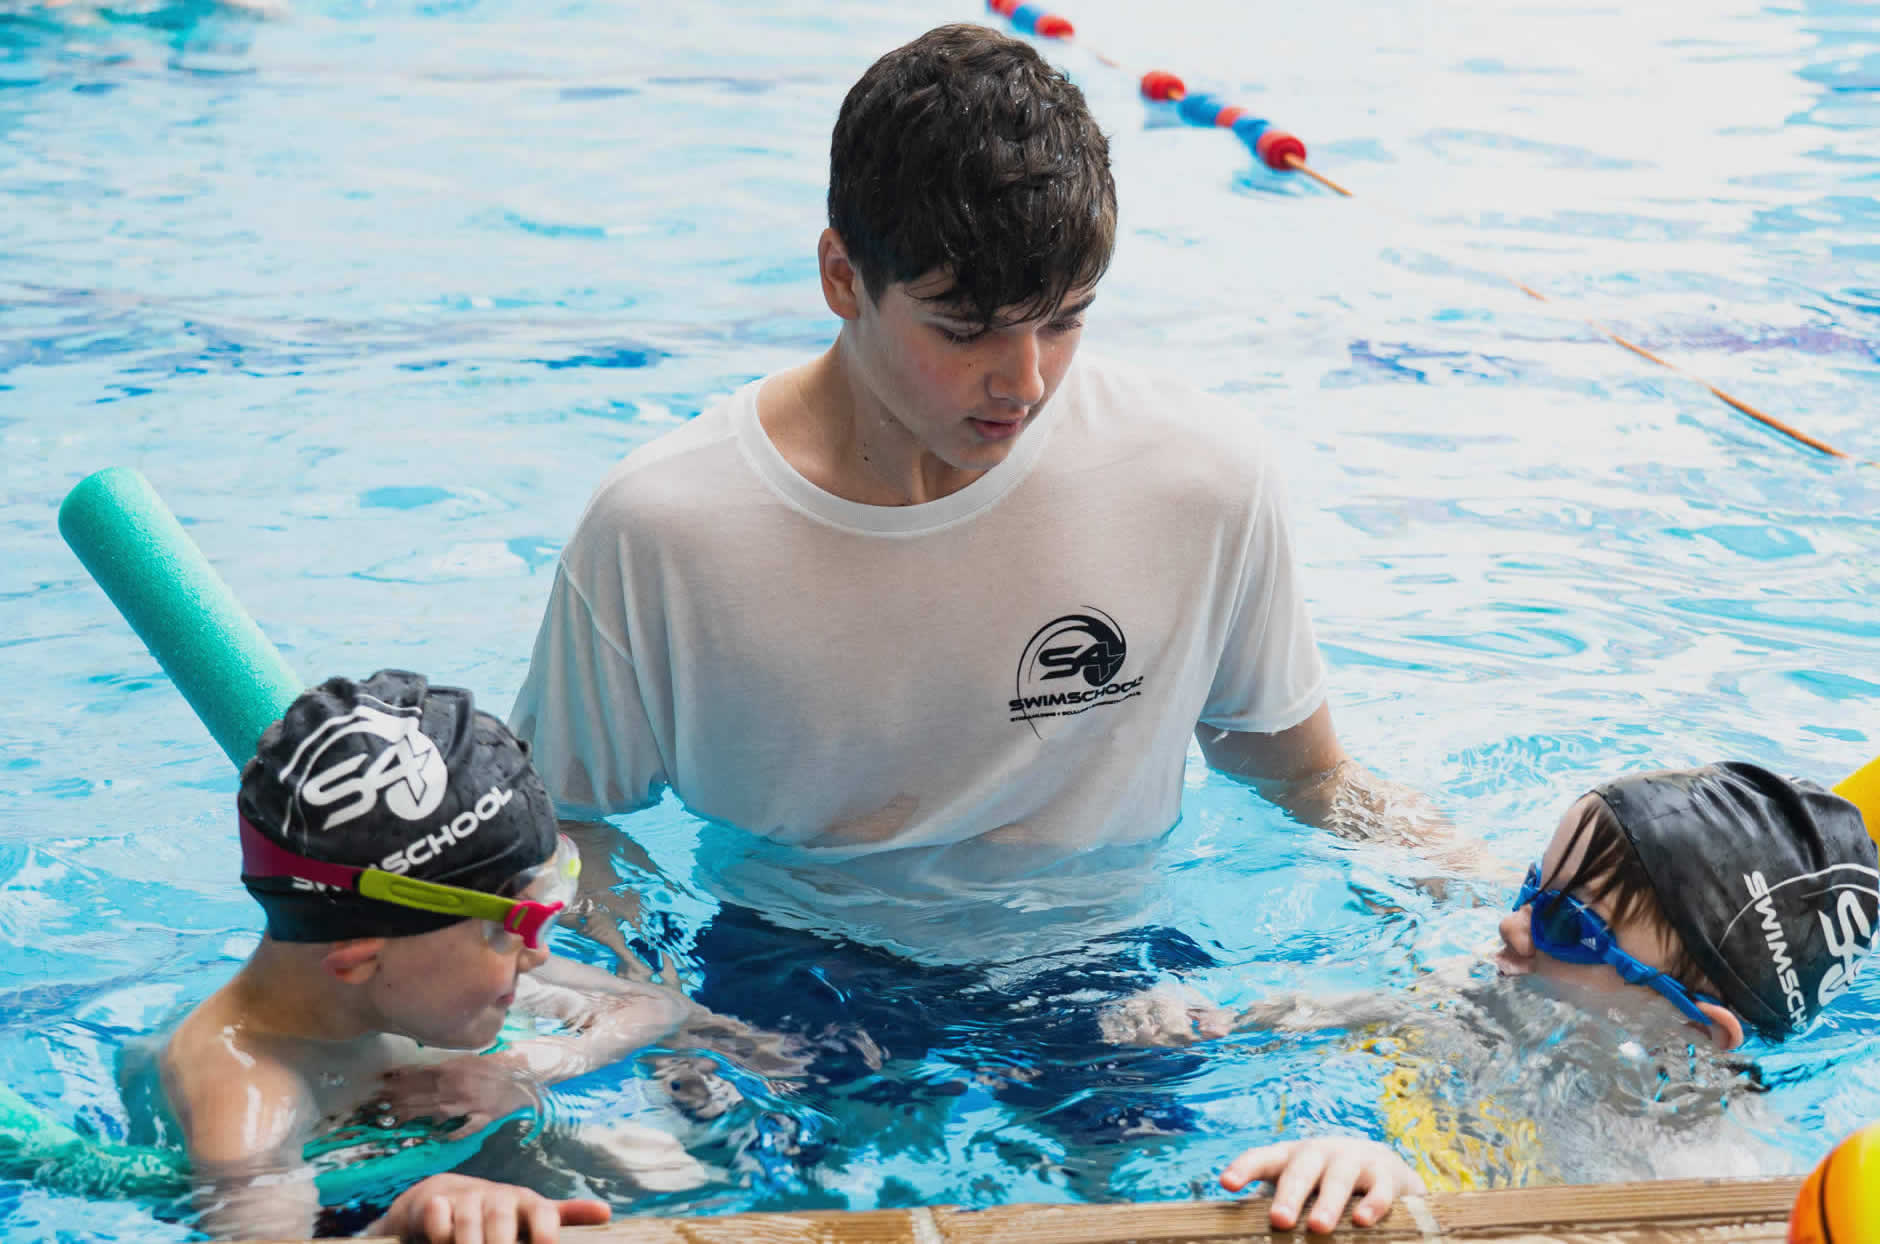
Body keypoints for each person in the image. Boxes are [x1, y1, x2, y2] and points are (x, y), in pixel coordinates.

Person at [511, 21, 1437, 950]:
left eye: (1065, 322)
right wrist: (645, 989)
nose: (1025, 382)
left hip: (1104, 970)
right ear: (842, 276)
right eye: (965, 331)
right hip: (802, 972)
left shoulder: (1200, 478)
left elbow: (1306, 777)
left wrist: (1467, 898)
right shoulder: (664, 534)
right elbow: (560, 830)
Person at [1106, 762, 1878, 1232]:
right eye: (1534, 887)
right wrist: (1227, 1022)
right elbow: (1373, 1008)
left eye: (1566, 925)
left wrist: (1412, 1201)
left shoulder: (1709, 1175)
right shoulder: (1489, 993)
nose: (1511, 926)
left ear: (1698, 1029)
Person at [158, 670, 736, 1242]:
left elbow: (654, 1007)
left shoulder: (437, 962)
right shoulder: (247, 1097)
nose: (535, 955)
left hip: (463, 1158)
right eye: (511, 927)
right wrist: (397, 1229)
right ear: (357, 961)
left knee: (670, 1169)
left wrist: (525, 1065)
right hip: (353, 1210)